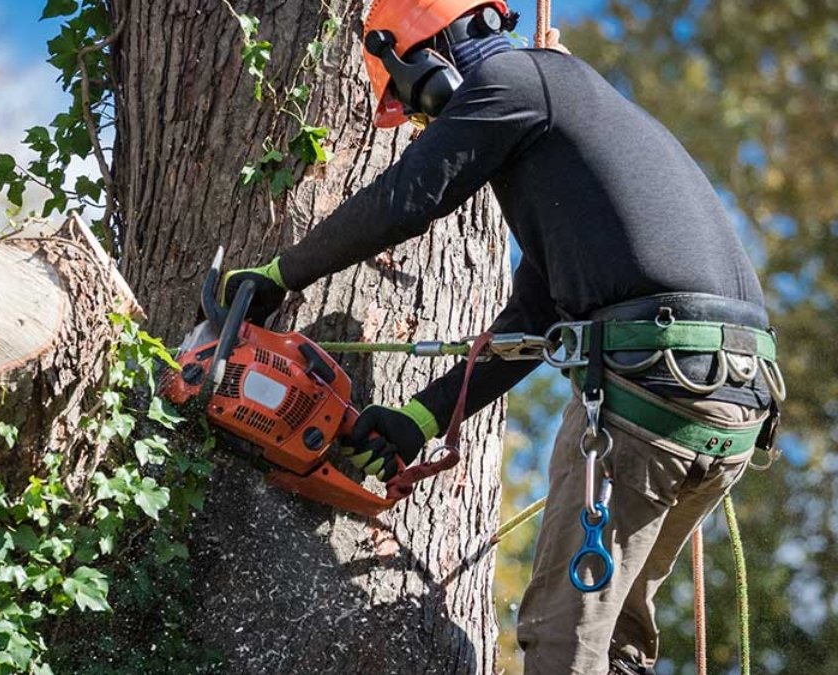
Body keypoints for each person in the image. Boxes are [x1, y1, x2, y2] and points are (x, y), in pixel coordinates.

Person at [220, 1, 784, 673]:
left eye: (418, 107)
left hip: (652, 393)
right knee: (616, 650)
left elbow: (410, 196)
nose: (429, 123)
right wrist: (419, 418)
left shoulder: (515, 83)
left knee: (559, 644)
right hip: (731, 404)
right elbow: (535, 321)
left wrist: (281, 274)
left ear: (426, 63)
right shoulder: (573, 128)